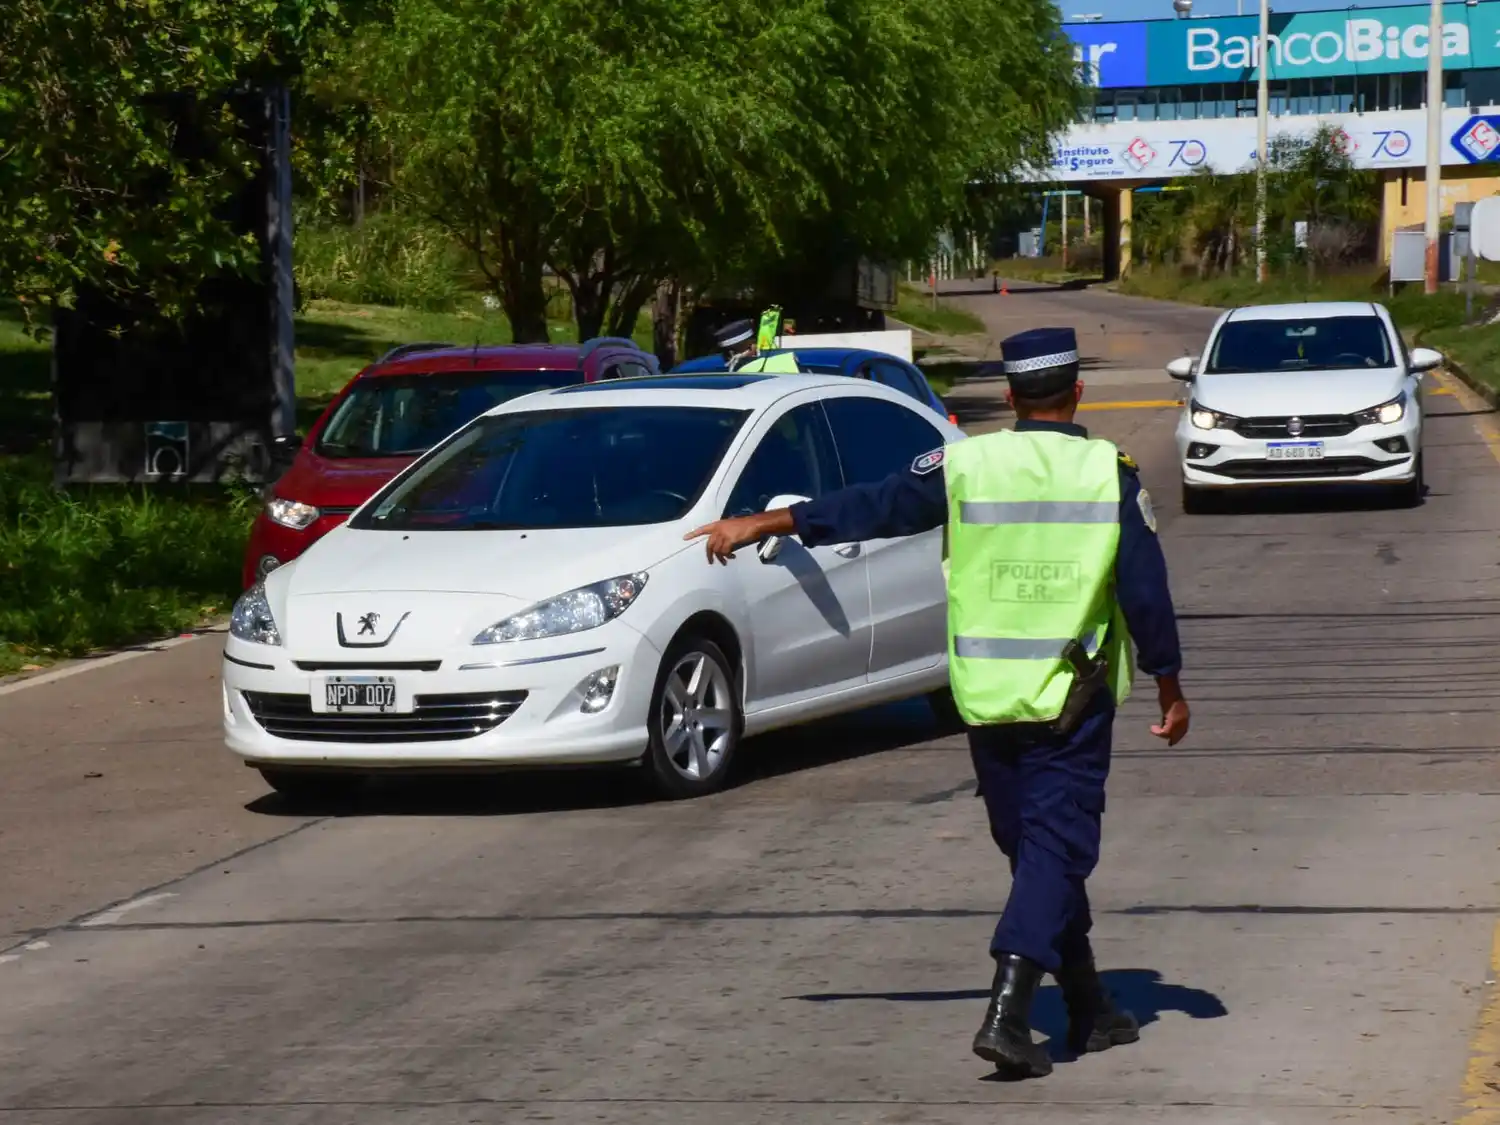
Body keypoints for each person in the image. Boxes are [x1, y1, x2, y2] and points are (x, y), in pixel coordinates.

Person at [684, 326, 1190, 1080]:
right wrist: (1168, 681)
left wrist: (768, 520)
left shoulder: (965, 462)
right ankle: (1007, 1016)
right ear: (1077, 393)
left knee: (1039, 854)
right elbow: (1144, 589)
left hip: (984, 700)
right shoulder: (1104, 474)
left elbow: (876, 506)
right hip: (1069, 698)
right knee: (1052, 852)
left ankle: (1088, 1005)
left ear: (1011, 397)